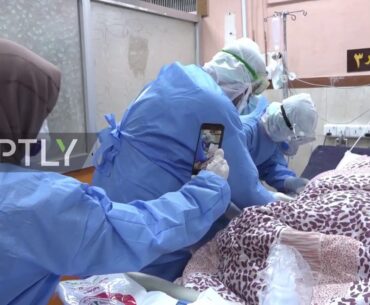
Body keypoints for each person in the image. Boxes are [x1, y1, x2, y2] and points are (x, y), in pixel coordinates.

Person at [0, 39, 231, 305]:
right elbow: (138, 231)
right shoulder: (37, 203)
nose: (45, 128)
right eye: (42, 115)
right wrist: (208, 187)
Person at [93, 38, 304, 280]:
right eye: (250, 94)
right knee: (146, 284)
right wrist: (290, 214)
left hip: (110, 187)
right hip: (147, 207)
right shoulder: (213, 104)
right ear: (243, 87)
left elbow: (203, 166)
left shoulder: (175, 77)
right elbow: (245, 189)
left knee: (112, 280)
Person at [241, 93, 318, 195]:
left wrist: (288, 181)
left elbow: (270, 165)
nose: (292, 141)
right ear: (283, 124)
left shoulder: (273, 133)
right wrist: (269, 197)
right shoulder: (246, 130)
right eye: (294, 136)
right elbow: (238, 177)